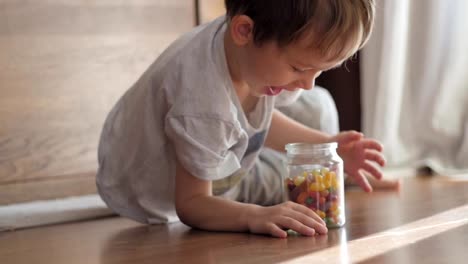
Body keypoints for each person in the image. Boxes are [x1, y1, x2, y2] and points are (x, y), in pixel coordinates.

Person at [96, 0, 399, 238]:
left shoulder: (248, 49)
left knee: (318, 106)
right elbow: (191, 205)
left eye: (318, 71)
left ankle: (340, 173)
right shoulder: (202, 101)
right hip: (165, 191)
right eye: (298, 68)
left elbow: (255, 121)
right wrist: (255, 216)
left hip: (221, 157)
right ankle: (336, 179)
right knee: (282, 186)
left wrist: (330, 145)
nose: (308, 82)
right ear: (244, 31)